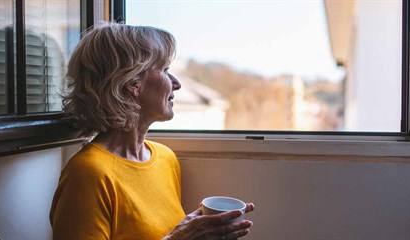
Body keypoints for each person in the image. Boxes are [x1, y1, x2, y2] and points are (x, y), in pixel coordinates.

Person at [49, 22, 255, 240]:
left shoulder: (166, 159)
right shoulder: (88, 174)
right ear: (132, 83)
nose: (176, 83)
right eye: (165, 70)